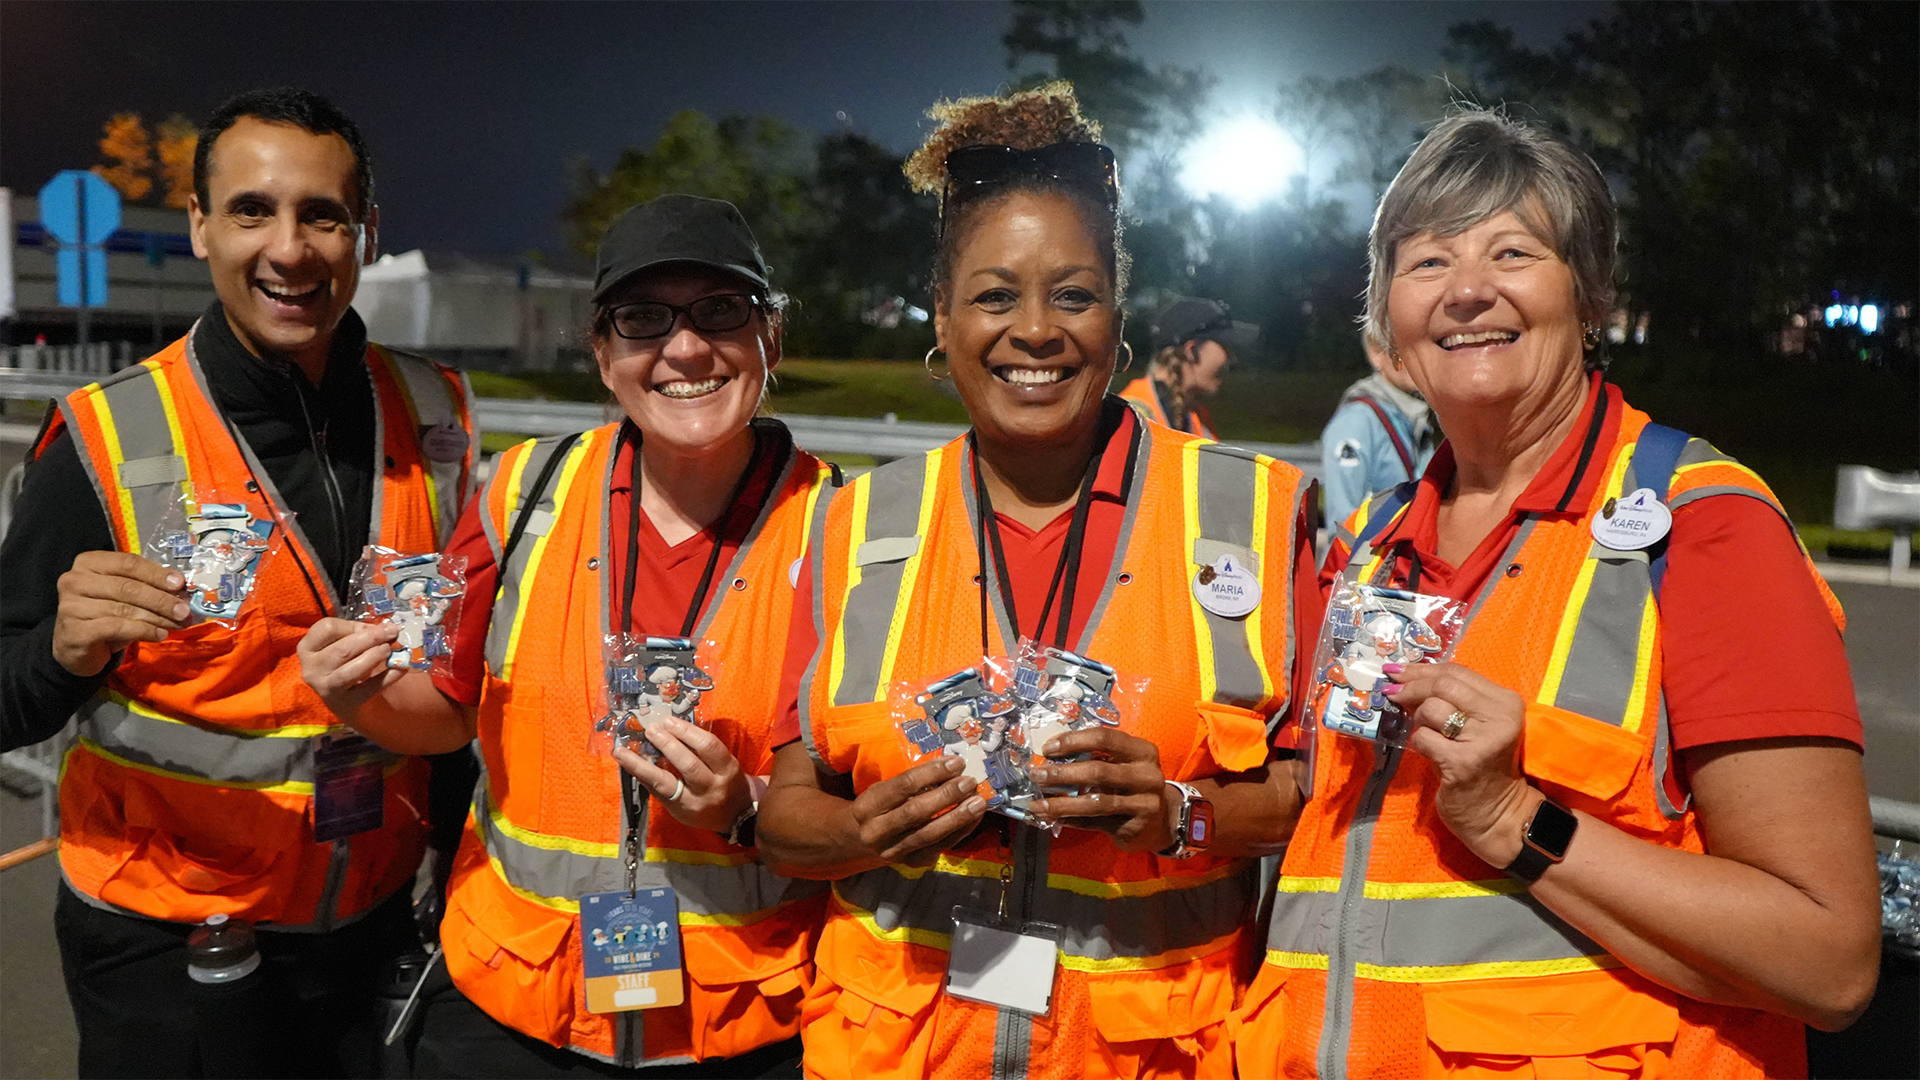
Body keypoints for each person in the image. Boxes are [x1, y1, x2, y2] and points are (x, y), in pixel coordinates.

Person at [1236, 110, 1879, 1079]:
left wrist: (1515, 821)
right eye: (1426, 263)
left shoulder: (1706, 527)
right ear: (1386, 327)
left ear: (1591, 300)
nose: (1466, 291)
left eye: (1512, 250)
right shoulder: (1367, 547)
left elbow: (1829, 963)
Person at [755, 83, 1316, 1080]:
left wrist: (1183, 816)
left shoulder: (1256, 515)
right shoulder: (854, 524)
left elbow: (1317, 795)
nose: (1036, 330)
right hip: (899, 1049)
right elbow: (789, 804)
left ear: (1117, 314)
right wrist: (855, 831)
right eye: (994, 294)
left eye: (1073, 292)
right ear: (942, 316)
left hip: (1154, 1054)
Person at [299, 194, 834, 1078]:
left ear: (770, 338)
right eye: (643, 319)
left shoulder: (844, 531)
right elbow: (444, 715)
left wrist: (745, 810)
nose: (687, 347)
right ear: (602, 352)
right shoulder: (522, 495)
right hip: (511, 1005)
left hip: (747, 1020)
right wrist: (353, 690)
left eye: (722, 312)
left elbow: (855, 802)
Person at [0, 88, 477, 1078]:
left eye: (323, 214)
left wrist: (463, 863)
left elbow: (465, 676)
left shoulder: (438, 413)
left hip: (372, 925)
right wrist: (59, 651)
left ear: (365, 233)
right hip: (166, 942)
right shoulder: (105, 435)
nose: (290, 248)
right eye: (254, 210)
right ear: (201, 227)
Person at [1319, 331, 1438, 527]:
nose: (1412, 359)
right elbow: (1342, 525)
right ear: (1376, 353)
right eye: (1400, 349)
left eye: (1419, 348)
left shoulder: (1416, 420)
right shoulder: (1357, 421)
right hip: (1366, 557)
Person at [1115, 295, 1256, 438]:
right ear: (1192, 351)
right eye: (1225, 348)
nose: (1231, 360)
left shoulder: (1194, 416)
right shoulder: (1133, 416)